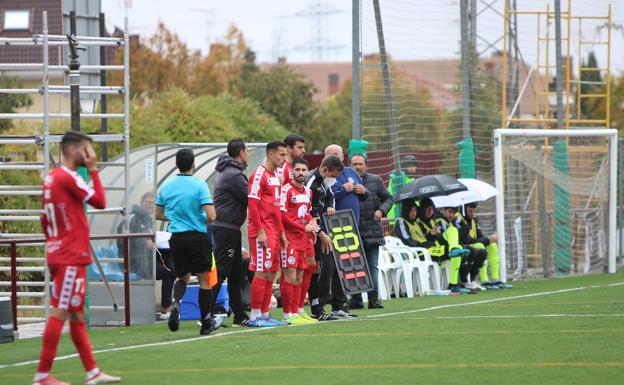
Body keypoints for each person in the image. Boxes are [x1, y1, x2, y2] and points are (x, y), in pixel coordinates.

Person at [34, 131, 120, 385]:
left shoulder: (51, 178)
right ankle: (41, 375)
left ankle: (92, 372)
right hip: (70, 256)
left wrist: (55, 242)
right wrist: (94, 170)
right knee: (60, 311)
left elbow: (44, 219)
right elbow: (100, 201)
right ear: (74, 151)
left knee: (76, 314)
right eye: (87, 150)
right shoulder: (68, 177)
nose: (90, 155)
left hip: (64, 252)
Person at [155, 148, 217, 335]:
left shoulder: (167, 186)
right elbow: (212, 216)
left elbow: (158, 214)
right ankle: (206, 321)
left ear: (176, 164)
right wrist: (199, 220)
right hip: (196, 236)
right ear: (193, 164)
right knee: (204, 279)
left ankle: (175, 303)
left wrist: (175, 218)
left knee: (182, 276)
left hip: (177, 238)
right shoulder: (199, 185)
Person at [247, 141, 289, 327]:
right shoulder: (258, 175)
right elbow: (253, 205)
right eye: (281, 155)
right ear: (271, 154)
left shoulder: (276, 176)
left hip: (274, 231)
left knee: (272, 273)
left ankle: (265, 315)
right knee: (262, 272)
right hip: (262, 231)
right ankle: (255, 316)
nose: (284, 159)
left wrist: (281, 232)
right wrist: (260, 232)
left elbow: (277, 208)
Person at [393, 197, 471, 293]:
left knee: (453, 231)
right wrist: (426, 244)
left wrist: (432, 234)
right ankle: (453, 284)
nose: (413, 213)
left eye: (415, 210)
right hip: (419, 253)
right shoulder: (401, 221)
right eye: (411, 210)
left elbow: (426, 237)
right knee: (458, 250)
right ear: (406, 210)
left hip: (429, 249)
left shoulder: (417, 223)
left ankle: (453, 282)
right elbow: (407, 241)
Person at [324, 145, 368, 317]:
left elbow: (365, 192)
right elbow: (325, 197)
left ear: (343, 156)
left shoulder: (350, 171)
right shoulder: (325, 175)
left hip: (351, 226)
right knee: (333, 268)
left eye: (337, 154)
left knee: (347, 266)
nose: (335, 156)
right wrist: (344, 189)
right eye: (331, 154)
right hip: (333, 226)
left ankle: (341, 305)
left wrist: (363, 191)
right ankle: (330, 304)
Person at [212, 138, 251, 326]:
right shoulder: (234, 174)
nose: (248, 155)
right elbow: (252, 198)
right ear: (241, 152)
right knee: (221, 271)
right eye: (248, 151)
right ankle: (207, 313)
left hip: (230, 229)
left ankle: (240, 315)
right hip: (226, 229)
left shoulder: (230, 171)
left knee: (236, 273)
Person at [348, 153, 393, 309]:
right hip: (352, 232)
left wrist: (381, 210)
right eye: (355, 164)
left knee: (372, 266)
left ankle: (374, 300)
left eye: (360, 164)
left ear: (366, 165)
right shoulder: (344, 182)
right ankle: (356, 300)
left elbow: (389, 198)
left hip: (373, 231)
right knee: (354, 267)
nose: (358, 167)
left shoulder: (376, 180)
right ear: (349, 166)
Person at [279, 157, 320, 324]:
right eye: (297, 170)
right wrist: (303, 228)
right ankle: (288, 315)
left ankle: (298, 311)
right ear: (292, 171)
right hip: (289, 239)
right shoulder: (286, 190)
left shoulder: (308, 192)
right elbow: (282, 215)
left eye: (304, 170)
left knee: (301, 275)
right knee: (290, 275)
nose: (301, 173)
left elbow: (306, 212)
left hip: (304, 238)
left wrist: (312, 223)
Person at [305, 155, 344, 320]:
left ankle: (319, 307)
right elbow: (305, 211)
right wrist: (320, 232)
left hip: (319, 230)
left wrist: (329, 207)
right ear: (325, 170)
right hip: (309, 232)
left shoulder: (323, 183)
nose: (334, 179)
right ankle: (313, 306)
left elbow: (331, 197)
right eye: (334, 176)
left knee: (325, 267)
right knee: (313, 269)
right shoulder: (311, 182)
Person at [456, 202, 513, 289]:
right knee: (480, 246)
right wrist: (486, 240)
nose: (472, 214)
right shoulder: (459, 220)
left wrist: (489, 238)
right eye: (470, 211)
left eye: (474, 211)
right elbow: (466, 240)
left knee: (492, 246)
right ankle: (484, 281)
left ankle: (495, 279)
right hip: (464, 246)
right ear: (464, 210)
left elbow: (480, 236)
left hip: (473, 244)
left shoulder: (474, 219)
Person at [440, 206, 487, 290]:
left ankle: (470, 281)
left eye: (453, 213)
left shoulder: (456, 221)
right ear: (444, 211)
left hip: (451, 247)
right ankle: (453, 284)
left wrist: (458, 222)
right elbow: (439, 239)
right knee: (454, 235)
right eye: (449, 212)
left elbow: (466, 233)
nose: (452, 215)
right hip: (437, 249)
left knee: (481, 251)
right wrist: (433, 234)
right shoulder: (440, 221)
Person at [387, 154, 418, 221]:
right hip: (396, 213)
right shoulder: (399, 179)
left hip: (409, 214)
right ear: (404, 167)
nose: (412, 168)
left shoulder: (413, 180)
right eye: (409, 166)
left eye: (414, 166)